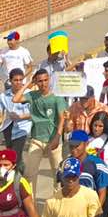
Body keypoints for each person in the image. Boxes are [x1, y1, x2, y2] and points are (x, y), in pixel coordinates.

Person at [23, 67, 68, 203]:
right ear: (36, 82)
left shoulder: (57, 98)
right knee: (29, 175)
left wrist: (56, 138)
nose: (43, 83)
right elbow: (16, 98)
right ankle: (31, 207)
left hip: (53, 141)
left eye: (45, 80)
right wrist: (28, 83)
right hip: (36, 140)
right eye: (40, 81)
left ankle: (57, 206)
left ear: (49, 80)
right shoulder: (32, 95)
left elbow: (61, 119)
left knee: (58, 175)